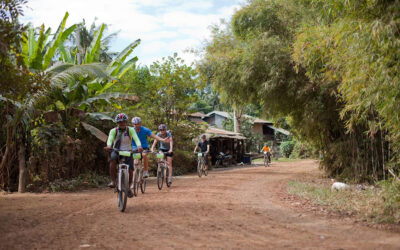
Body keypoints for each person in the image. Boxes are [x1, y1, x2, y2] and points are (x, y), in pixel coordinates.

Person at [105, 113, 143, 198]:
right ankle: (113, 181)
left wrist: (139, 146)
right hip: (116, 150)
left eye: (123, 121)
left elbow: (136, 139)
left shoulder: (130, 130)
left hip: (128, 151)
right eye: (119, 122)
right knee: (113, 159)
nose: (122, 123)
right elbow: (110, 139)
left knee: (130, 170)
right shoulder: (113, 131)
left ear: (126, 122)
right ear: (117, 123)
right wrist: (109, 146)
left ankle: (128, 188)